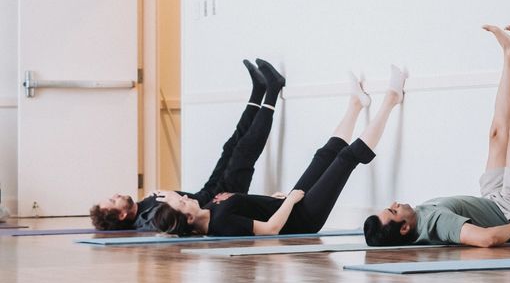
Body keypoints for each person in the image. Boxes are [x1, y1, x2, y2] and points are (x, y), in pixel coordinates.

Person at [150, 65, 406, 237]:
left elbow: (253, 211)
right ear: (190, 220)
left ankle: (355, 105)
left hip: (290, 205)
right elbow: (270, 229)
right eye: (183, 203)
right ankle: (391, 99)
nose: (185, 198)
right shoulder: (220, 223)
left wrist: (273, 201)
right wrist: (290, 202)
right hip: (303, 219)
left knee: (324, 155)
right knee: (346, 159)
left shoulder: (210, 210)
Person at [363, 23, 510, 248]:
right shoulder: (436, 223)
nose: (395, 203)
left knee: (497, 134)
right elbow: (486, 239)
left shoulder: (420, 217)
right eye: (393, 210)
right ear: (404, 228)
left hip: (493, 200)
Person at [89, 59, 284, 230]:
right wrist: (172, 198)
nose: (115, 195)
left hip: (208, 192)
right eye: (114, 201)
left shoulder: (142, 205)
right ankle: (273, 89)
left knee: (231, 146)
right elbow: (174, 224)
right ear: (122, 215)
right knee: (243, 151)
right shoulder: (148, 220)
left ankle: (258, 90)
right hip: (218, 204)